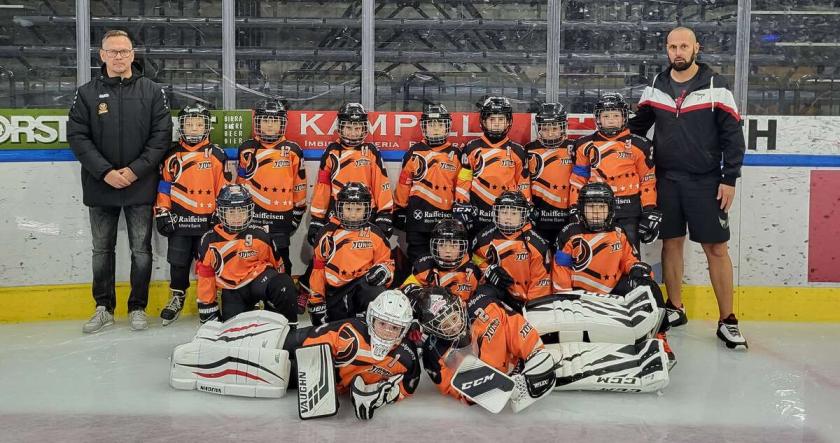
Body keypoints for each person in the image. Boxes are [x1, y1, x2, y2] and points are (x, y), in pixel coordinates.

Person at [628, 26, 747, 349]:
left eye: (684, 46)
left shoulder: (716, 87)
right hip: (666, 180)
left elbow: (733, 137)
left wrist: (729, 178)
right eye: (672, 47)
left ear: (697, 48)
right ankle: (675, 307)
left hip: (707, 181)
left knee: (717, 249)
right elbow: (636, 129)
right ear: (666, 50)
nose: (677, 52)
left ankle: (728, 320)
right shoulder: (656, 85)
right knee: (671, 244)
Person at [68, 30, 173, 333]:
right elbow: (77, 136)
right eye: (112, 51)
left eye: (124, 51)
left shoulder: (152, 91)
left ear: (132, 55)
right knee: (102, 250)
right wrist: (105, 172)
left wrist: (134, 171)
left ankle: (137, 307)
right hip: (101, 186)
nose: (118, 56)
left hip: (140, 185)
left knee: (141, 250)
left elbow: (161, 136)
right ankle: (103, 308)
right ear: (101, 55)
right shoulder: (87, 93)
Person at [550, 182, 674, 365]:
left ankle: (659, 336)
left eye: (601, 207)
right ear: (581, 209)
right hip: (580, 296)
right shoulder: (569, 234)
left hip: (613, 290)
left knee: (650, 286)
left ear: (610, 209)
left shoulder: (618, 232)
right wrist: (566, 298)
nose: (597, 212)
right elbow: (561, 271)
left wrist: (636, 268)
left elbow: (628, 260)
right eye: (591, 207)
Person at [284, 289, 420, 420]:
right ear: (371, 319)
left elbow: (407, 387)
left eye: (395, 327)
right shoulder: (350, 331)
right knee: (279, 354)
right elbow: (310, 340)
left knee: (281, 375)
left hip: (334, 387)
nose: (387, 332)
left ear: (404, 329)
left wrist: (387, 395)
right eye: (382, 323)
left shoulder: (407, 356)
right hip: (317, 367)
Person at [415, 286, 555, 409]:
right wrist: (474, 393)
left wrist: (533, 353)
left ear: (460, 305)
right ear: (432, 330)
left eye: (454, 318)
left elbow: (514, 326)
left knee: (546, 356)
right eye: (445, 326)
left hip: (520, 363)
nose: (454, 326)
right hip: (494, 384)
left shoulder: (484, 305)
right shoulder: (432, 353)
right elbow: (452, 387)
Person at [155, 103, 228, 326]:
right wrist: (162, 211)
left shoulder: (216, 154)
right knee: (178, 262)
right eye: (189, 124)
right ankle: (177, 296)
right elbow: (165, 186)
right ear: (181, 127)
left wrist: (221, 216)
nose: (194, 128)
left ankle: (211, 299)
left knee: (210, 263)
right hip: (180, 220)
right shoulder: (171, 154)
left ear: (207, 127)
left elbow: (223, 188)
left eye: (199, 124)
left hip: (208, 222)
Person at [193, 184, 298, 324]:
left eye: (241, 211)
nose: (237, 217)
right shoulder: (208, 241)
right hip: (233, 290)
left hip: (259, 280)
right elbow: (206, 278)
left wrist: (275, 299)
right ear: (220, 212)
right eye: (231, 212)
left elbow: (279, 267)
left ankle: (289, 330)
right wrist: (208, 310)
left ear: (249, 211)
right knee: (233, 331)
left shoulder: (261, 234)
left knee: (284, 285)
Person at [569, 92, 658, 252]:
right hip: (595, 208)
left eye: (616, 115)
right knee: (599, 255)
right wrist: (574, 207)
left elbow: (648, 181)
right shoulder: (583, 145)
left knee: (630, 256)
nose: (611, 120)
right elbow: (578, 180)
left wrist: (648, 211)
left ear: (624, 117)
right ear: (598, 118)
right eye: (606, 115)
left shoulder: (641, 145)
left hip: (629, 210)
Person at [307, 183, 395, 326]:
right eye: (348, 208)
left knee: (377, 295)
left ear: (367, 209)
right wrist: (317, 300)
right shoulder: (326, 233)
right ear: (339, 207)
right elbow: (318, 270)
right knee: (334, 329)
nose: (353, 214)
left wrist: (385, 272)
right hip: (335, 292)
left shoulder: (375, 234)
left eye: (358, 209)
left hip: (364, 287)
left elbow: (387, 262)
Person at [307, 103, 394, 246]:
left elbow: (381, 183)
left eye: (357, 128)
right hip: (338, 212)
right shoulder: (331, 152)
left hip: (366, 212)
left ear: (364, 129)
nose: (353, 133)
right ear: (340, 127)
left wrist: (384, 214)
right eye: (348, 127)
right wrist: (317, 218)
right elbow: (322, 186)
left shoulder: (371, 151)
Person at [236, 99, 307, 273]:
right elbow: (241, 182)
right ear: (257, 122)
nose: (269, 125)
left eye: (274, 121)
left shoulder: (293, 150)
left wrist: (297, 213)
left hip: (281, 218)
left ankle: (283, 297)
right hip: (253, 216)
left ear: (282, 123)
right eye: (265, 120)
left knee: (282, 260)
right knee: (251, 259)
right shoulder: (247, 148)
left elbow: (299, 184)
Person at [394, 104, 461, 263]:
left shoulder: (457, 154)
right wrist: (399, 208)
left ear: (447, 127)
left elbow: (461, 186)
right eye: (431, 124)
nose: (435, 128)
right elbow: (405, 182)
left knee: (445, 262)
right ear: (424, 127)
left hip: (447, 219)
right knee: (419, 262)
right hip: (418, 220)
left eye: (440, 124)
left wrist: (461, 209)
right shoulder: (414, 152)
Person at [455, 96, 530, 236]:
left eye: (501, 119)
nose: (496, 124)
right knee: (478, 254)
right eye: (492, 119)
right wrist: (461, 205)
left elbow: (523, 183)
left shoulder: (518, 151)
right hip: (478, 215)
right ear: (483, 121)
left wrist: (526, 207)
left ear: (508, 122)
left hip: (508, 216)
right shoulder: (471, 148)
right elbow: (464, 180)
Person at [471, 191, 552, 312]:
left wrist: (531, 309)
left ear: (523, 215)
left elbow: (540, 282)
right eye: (504, 212)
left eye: (514, 213)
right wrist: (487, 269)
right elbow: (474, 258)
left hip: (526, 303)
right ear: (496, 213)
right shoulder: (483, 238)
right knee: (484, 293)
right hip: (499, 298)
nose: (508, 217)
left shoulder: (537, 244)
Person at [525, 102, 575, 249]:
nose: (550, 133)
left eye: (555, 128)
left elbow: (580, 181)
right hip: (539, 216)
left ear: (563, 127)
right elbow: (523, 181)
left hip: (567, 216)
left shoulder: (574, 147)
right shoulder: (528, 149)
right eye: (545, 129)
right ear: (539, 128)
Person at [401, 219, 481, 303]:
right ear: (435, 246)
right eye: (442, 245)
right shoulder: (425, 266)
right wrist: (421, 296)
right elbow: (405, 288)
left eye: (454, 245)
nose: (447, 250)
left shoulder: (472, 271)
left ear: (462, 247)